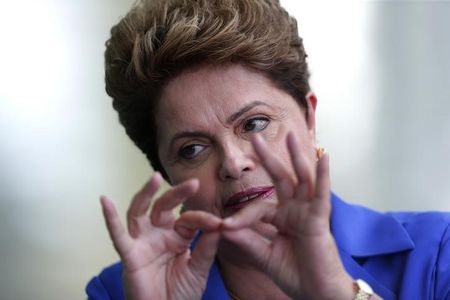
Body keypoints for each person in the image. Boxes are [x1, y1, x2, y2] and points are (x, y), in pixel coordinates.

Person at [86, 0, 450, 299]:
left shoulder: (436, 254)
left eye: (256, 124)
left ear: (309, 119)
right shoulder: (120, 291)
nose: (233, 162)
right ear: (166, 172)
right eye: (193, 149)